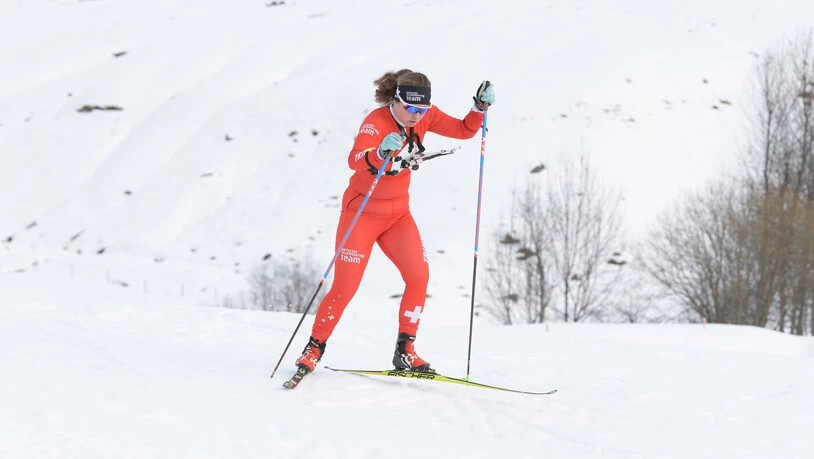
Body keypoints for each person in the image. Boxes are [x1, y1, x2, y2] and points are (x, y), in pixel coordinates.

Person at [294, 69, 495, 373]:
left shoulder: (425, 116)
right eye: (411, 109)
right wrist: (378, 153)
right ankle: (314, 348)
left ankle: (405, 350)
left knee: (419, 276)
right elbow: (355, 160)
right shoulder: (376, 122)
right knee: (345, 288)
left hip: (398, 215)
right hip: (361, 213)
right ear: (396, 100)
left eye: (422, 110)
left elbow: (465, 130)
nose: (417, 116)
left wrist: (479, 109)